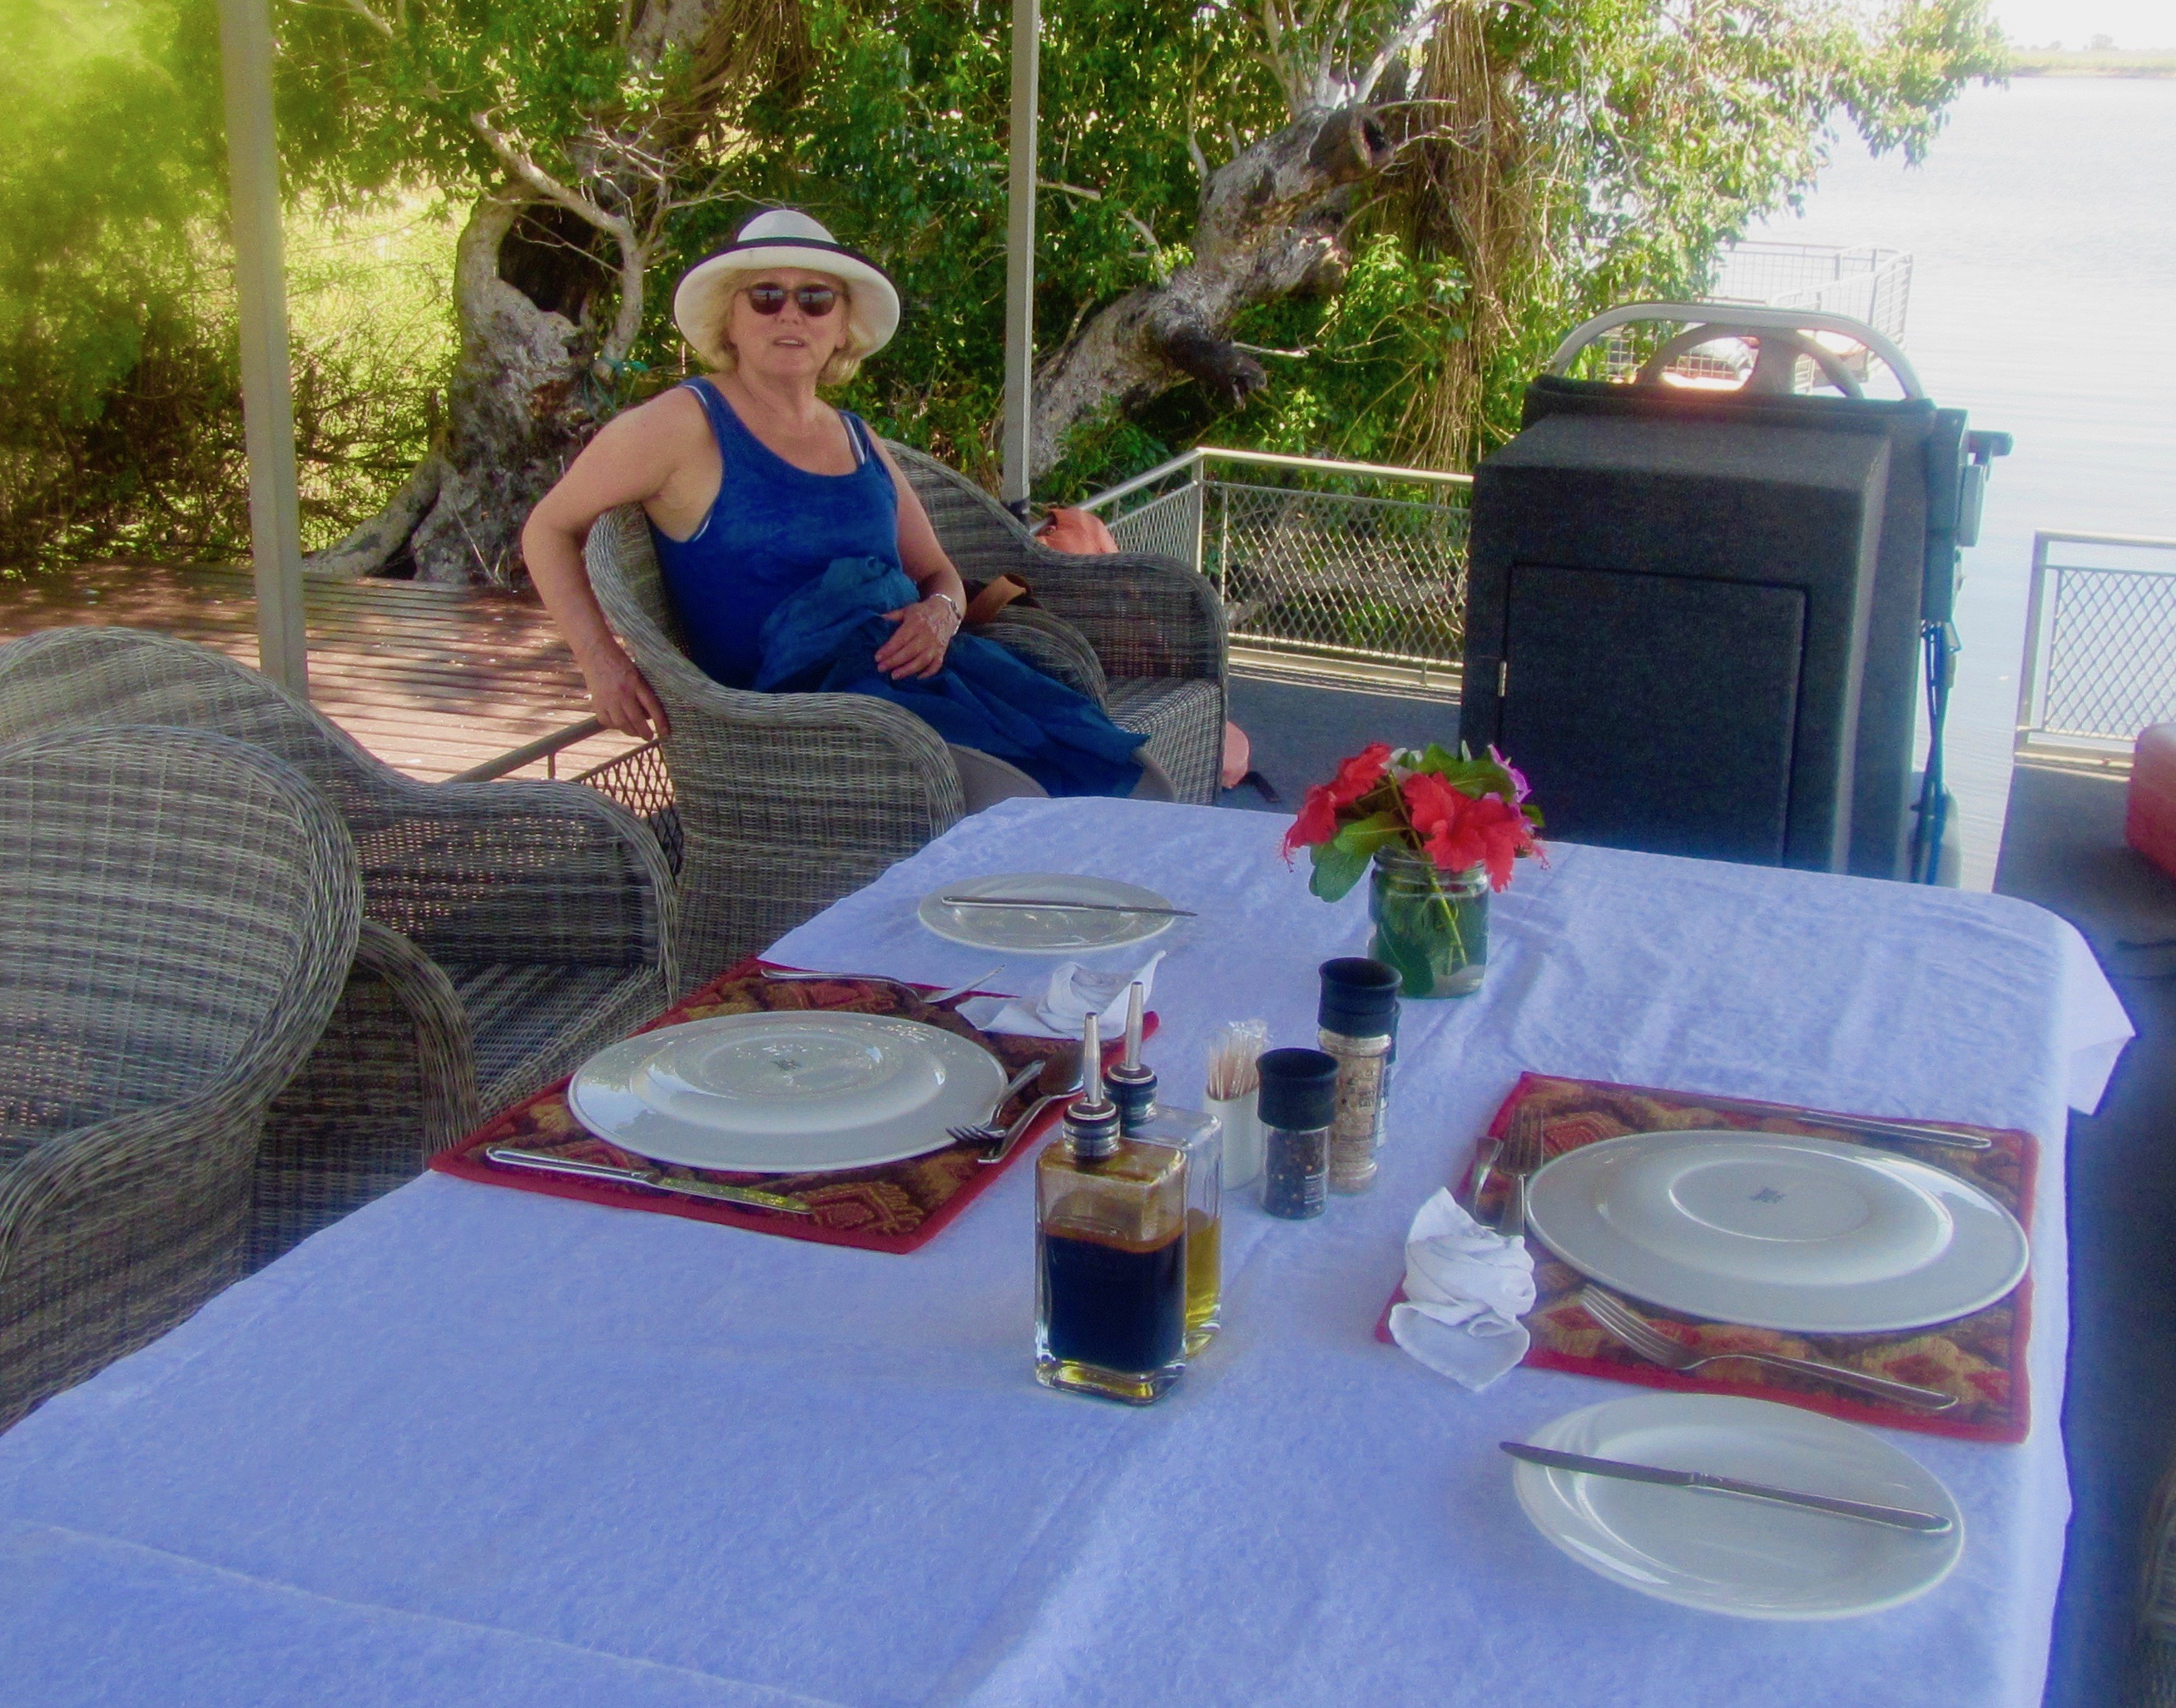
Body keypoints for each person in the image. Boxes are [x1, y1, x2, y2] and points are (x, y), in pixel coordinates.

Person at [522, 207, 1157, 800]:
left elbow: (937, 572)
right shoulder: (682, 423)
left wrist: (938, 614)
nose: (790, 315)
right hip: (805, 728)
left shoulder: (857, 436)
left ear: (839, 327)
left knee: (1126, 780)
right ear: (730, 320)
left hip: (923, 689)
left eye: (815, 298)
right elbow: (547, 527)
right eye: (766, 296)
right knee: (1042, 806)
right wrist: (599, 661)